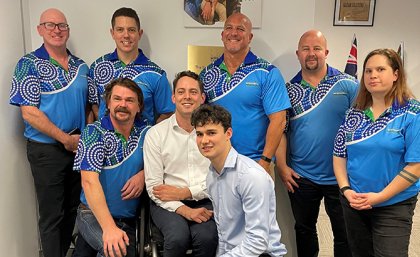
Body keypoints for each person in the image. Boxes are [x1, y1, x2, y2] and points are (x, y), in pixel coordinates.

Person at [9, 8, 88, 257]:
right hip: (47, 150)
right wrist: (65, 139)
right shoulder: (28, 65)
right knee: (52, 214)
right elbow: (29, 112)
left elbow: (89, 108)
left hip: (77, 147)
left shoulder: (81, 66)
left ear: (68, 31)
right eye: (50, 25)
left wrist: (82, 140)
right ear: (40, 30)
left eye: (62, 26)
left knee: (71, 209)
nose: (57, 30)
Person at [276, 30, 358, 257]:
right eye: (306, 49)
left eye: (316, 48)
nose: (311, 54)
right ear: (298, 54)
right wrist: (282, 167)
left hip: (341, 177)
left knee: (344, 233)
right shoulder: (287, 90)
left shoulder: (348, 84)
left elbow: (361, 129)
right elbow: (280, 131)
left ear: (326, 52)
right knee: (304, 230)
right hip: (302, 176)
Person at [333, 48, 420, 257]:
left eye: (381, 69)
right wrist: (345, 189)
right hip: (354, 202)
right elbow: (339, 155)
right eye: (368, 70)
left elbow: (416, 166)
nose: (373, 75)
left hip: (393, 204)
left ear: (396, 74)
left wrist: (379, 197)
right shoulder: (354, 113)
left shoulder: (412, 112)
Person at [191, 104, 287, 257]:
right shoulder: (212, 175)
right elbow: (224, 237)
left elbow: (257, 242)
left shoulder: (250, 176)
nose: (204, 140)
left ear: (228, 133)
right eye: (199, 134)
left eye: (211, 133)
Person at [199, 13, 290, 174]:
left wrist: (265, 161)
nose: (234, 33)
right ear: (222, 35)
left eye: (240, 29)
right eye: (229, 28)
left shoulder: (267, 72)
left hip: (256, 163)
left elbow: (279, 121)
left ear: (250, 37)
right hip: (218, 163)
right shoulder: (207, 74)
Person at [73, 78, 150, 257]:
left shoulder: (148, 133)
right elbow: (89, 182)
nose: (123, 104)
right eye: (117, 99)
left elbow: (165, 165)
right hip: (91, 215)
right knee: (114, 251)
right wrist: (109, 229)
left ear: (139, 107)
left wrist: (144, 175)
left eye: (130, 100)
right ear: (107, 103)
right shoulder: (93, 132)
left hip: (129, 219)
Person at [144, 71, 218, 257]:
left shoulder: (213, 134)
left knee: (208, 237)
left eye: (193, 92)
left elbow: (220, 178)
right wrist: (185, 209)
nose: (187, 96)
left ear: (202, 98)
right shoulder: (156, 134)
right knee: (178, 237)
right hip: (166, 203)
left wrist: (187, 192)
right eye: (181, 91)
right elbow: (154, 186)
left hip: (206, 200)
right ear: (173, 97)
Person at [89, 7, 174, 124]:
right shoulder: (97, 67)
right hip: (105, 140)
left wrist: (150, 135)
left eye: (131, 30)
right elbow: (93, 104)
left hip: (142, 141)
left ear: (140, 34)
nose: (126, 35)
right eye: (120, 29)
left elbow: (168, 112)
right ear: (112, 33)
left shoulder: (155, 73)